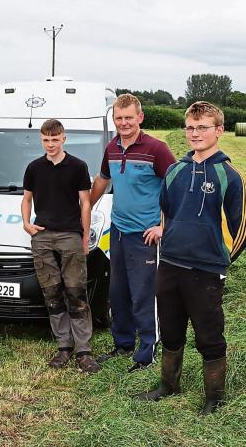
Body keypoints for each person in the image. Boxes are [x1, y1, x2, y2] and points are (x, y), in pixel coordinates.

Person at [137, 102, 244, 414]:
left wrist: (219, 260)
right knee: (170, 329)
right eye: (190, 128)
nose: (195, 133)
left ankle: (214, 397)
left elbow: (240, 229)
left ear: (219, 130)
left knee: (209, 335)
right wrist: (168, 235)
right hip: (170, 264)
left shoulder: (230, 176)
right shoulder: (175, 171)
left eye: (203, 127)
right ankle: (168, 385)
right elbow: (167, 212)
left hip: (206, 271)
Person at [90, 94, 176, 372]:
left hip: (145, 235)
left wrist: (164, 226)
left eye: (129, 117)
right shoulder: (112, 147)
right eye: (119, 118)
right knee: (119, 292)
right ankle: (123, 344)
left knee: (144, 294)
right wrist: (84, 209)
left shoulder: (157, 149)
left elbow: (177, 187)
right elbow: (102, 180)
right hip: (118, 230)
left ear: (140, 117)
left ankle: (148, 352)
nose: (124, 123)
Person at [22, 119, 100, 373]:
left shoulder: (78, 166)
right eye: (46, 140)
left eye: (55, 139)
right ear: (41, 140)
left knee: (76, 292)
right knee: (52, 293)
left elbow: (85, 204)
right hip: (42, 236)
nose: (50, 144)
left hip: (70, 236)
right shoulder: (34, 168)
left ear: (64, 138)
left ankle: (84, 351)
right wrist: (27, 224)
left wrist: (84, 237)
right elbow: (26, 199)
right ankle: (64, 346)